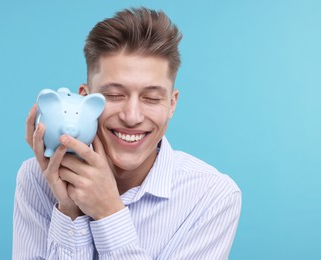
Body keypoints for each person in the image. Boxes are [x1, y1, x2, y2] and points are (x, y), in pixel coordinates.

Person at [13, 7, 241, 260]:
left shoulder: (212, 196)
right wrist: (70, 211)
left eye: (152, 98)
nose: (132, 116)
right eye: (113, 95)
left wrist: (109, 213)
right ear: (85, 98)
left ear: (171, 104)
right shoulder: (36, 178)